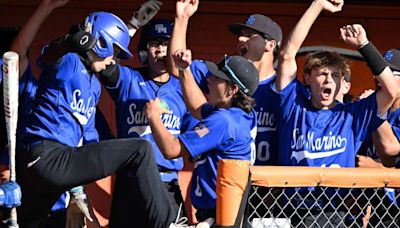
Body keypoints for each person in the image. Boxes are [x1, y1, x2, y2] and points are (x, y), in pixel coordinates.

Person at [15, 11, 180, 228]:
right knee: (141, 149)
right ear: (99, 42)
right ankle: (168, 225)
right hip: (46, 155)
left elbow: (91, 143)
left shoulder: (94, 86)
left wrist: (79, 191)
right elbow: (49, 57)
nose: (113, 61)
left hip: (56, 171)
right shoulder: (70, 60)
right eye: (114, 53)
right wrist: (67, 43)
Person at [274, 0, 399, 226]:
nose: (328, 79)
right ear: (308, 79)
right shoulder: (293, 105)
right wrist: (317, 5)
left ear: (343, 83)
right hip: (292, 210)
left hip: (335, 212)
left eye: (335, 75)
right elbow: (286, 55)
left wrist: (364, 44)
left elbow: (391, 89)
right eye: (321, 74)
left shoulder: (352, 115)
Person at [147, 47, 258, 225]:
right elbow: (198, 108)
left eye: (217, 78)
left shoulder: (223, 121)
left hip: (220, 215)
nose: (209, 79)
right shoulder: (241, 114)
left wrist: (153, 116)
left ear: (232, 89)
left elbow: (171, 149)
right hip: (228, 211)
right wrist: (184, 70)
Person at [167, 0, 282, 166]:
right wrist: (182, 18)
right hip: (228, 179)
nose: (241, 38)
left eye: (249, 35)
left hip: (269, 183)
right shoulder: (222, 75)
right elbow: (176, 66)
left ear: (270, 45)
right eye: (240, 35)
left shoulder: (284, 88)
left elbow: (289, 54)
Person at [101, 18, 191, 227]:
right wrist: (131, 26)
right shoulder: (128, 79)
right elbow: (105, 65)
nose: (160, 50)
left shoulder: (185, 89)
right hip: (129, 185)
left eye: (166, 44)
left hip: (166, 183)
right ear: (144, 51)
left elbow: (191, 143)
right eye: (154, 44)